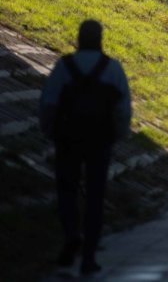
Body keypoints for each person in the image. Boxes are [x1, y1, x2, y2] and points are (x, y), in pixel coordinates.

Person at [40, 20, 132, 276]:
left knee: (67, 190)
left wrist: (49, 131)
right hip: (100, 140)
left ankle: (71, 233)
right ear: (100, 39)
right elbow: (123, 109)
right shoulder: (112, 69)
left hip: (67, 138)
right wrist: (119, 135)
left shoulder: (64, 67)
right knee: (95, 196)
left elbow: (48, 102)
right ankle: (89, 256)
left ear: (78, 38)